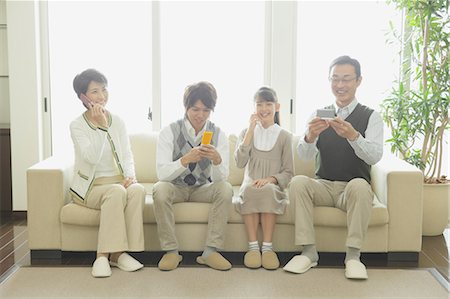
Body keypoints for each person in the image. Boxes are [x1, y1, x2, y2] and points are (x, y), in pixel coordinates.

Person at [283, 56, 383, 279]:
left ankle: (353, 257)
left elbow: (375, 156)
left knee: (359, 185)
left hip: (352, 190)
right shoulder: (319, 114)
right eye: (335, 79)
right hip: (324, 186)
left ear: (358, 81)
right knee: (298, 182)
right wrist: (310, 136)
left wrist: (353, 136)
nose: (340, 85)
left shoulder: (371, 116)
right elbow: (303, 155)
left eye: (346, 79)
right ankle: (308, 253)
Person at [70, 69, 145, 278]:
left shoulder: (118, 121)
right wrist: (101, 128)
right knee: (116, 192)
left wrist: (131, 177)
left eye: (103, 89)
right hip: (90, 188)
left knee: (137, 191)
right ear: (83, 97)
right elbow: (90, 158)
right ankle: (103, 255)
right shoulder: (77, 125)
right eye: (95, 91)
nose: (102, 96)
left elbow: (127, 153)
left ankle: (120, 255)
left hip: (117, 183)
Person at [153, 81, 233, 271]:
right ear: (186, 107)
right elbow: (162, 174)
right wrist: (185, 160)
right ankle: (171, 251)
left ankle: (211, 251)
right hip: (176, 187)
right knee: (159, 189)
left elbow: (222, 179)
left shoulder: (219, 134)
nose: (200, 115)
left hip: (202, 188)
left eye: (206, 110)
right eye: (195, 109)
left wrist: (217, 161)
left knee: (226, 189)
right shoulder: (169, 131)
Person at [234, 87, 294, 270]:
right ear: (254, 108)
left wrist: (270, 179)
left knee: (266, 190)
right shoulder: (246, 132)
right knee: (251, 189)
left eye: (268, 104)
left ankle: (267, 248)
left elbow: (288, 172)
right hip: (250, 183)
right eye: (259, 104)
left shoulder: (284, 136)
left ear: (276, 107)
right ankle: (253, 247)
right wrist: (250, 131)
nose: (264, 108)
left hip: (273, 185)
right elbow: (240, 162)